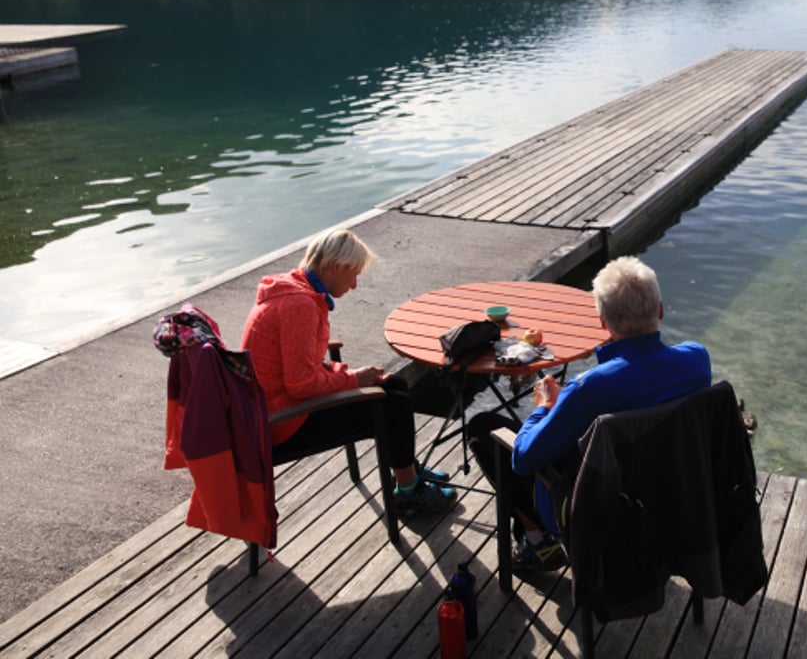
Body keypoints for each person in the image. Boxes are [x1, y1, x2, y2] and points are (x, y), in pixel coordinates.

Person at [466, 255, 711, 570]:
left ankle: (538, 539)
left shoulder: (589, 388)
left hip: (597, 511)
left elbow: (524, 460)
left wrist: (544, 407)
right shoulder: (696, 361)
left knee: (484, 428)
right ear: (660, 311)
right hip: (674, 498)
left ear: (602, 323)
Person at [241, 227, 456, 514]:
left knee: (395, 385)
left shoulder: (296, 290)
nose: (354, 285)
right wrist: (353, 378)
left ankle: (407, 471)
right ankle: (408, 492)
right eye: (353, 274)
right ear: (335, 267)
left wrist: (352, 376)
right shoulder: (299, 305)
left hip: (271, 407)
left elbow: (304, 365)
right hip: (280, 423)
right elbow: (301, 384)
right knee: (392, 405)